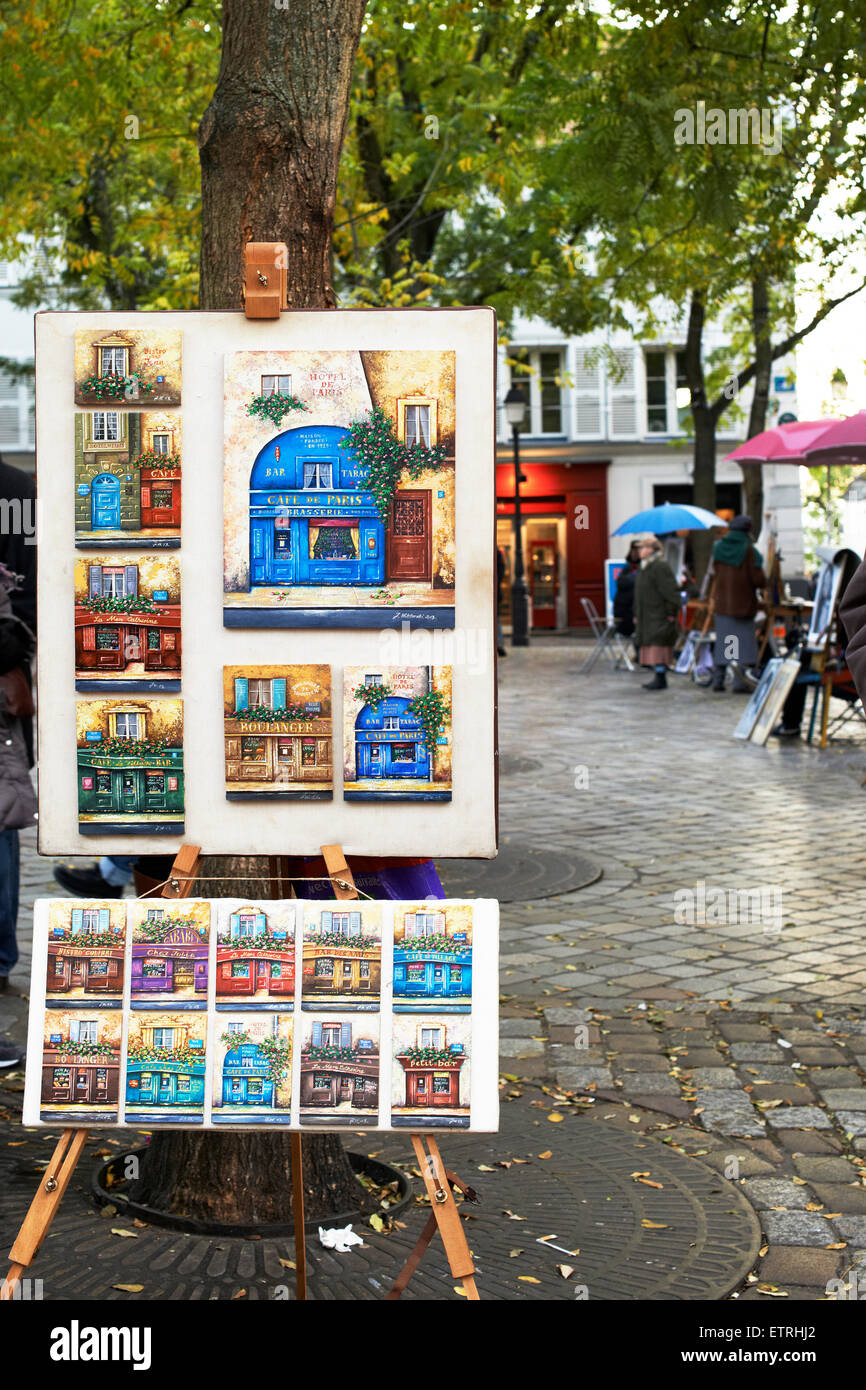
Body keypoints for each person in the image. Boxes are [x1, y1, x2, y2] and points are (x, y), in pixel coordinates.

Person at [709, 514, 766, 692]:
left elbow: (712, 574)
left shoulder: (718, 548)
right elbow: (758, 580)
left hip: (723, 604)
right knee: (743, 645)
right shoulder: (750, 551)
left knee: (726, 642)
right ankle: (740, 683)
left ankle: (718, 681)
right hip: (743, 605)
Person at [633, 534, 681, 690]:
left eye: (644, 547)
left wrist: (671, 612)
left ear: (652, 550)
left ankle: (661, 678)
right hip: (646, 614)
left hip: (658, 614)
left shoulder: (660, 566)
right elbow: (639, 594)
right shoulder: (644, 567)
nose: (640, 550)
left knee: (658, 645)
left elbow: (670, 591)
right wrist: (636, 613)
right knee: (652, 646)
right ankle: (658, 676)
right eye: (640, 547)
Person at [613, 541, 641, 638]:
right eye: (634, 550)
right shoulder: (629, 568)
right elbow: (621, 584)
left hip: (630, 611)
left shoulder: (635, 567)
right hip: (626, 615)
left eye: (638, 550)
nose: (636, 553)